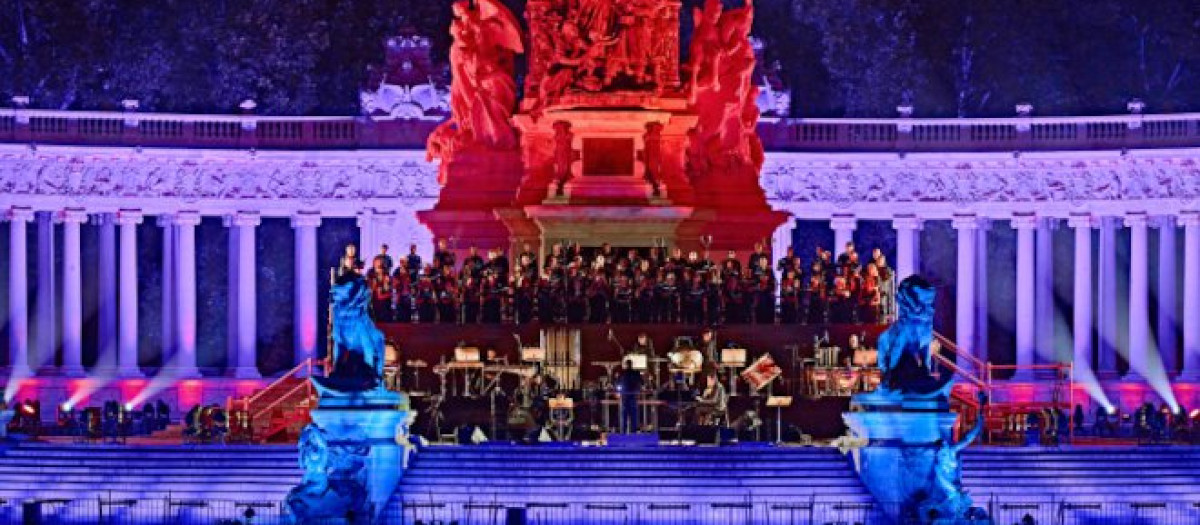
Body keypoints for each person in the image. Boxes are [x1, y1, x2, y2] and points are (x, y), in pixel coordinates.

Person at [617, 358, 644, 434]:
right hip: (633, 396)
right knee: (633, 416)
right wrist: (638, 390)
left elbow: (617, 383)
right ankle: (633, 433)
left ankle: (623, 433)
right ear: (632, 365)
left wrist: (619, 392)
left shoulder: (622, 373)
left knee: (624, 416)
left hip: (625, 396)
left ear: (626, 365)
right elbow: (641, 383)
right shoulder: (636, 373)